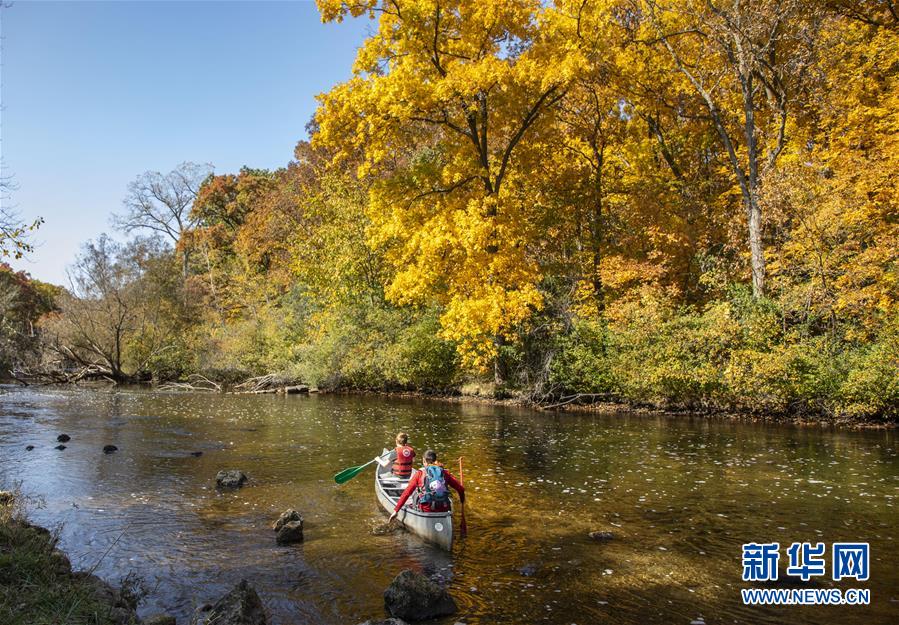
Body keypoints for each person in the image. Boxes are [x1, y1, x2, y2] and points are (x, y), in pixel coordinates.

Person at [389, 450, 464, 520]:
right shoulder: (444, 472)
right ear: (435, 460)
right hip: (443, 508)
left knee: (416, 494)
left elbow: (407, 492)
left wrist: (396, 510)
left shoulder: (420, 473)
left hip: (426, 510)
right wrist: (462, 500)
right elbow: (460, 489)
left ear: (424, 461)